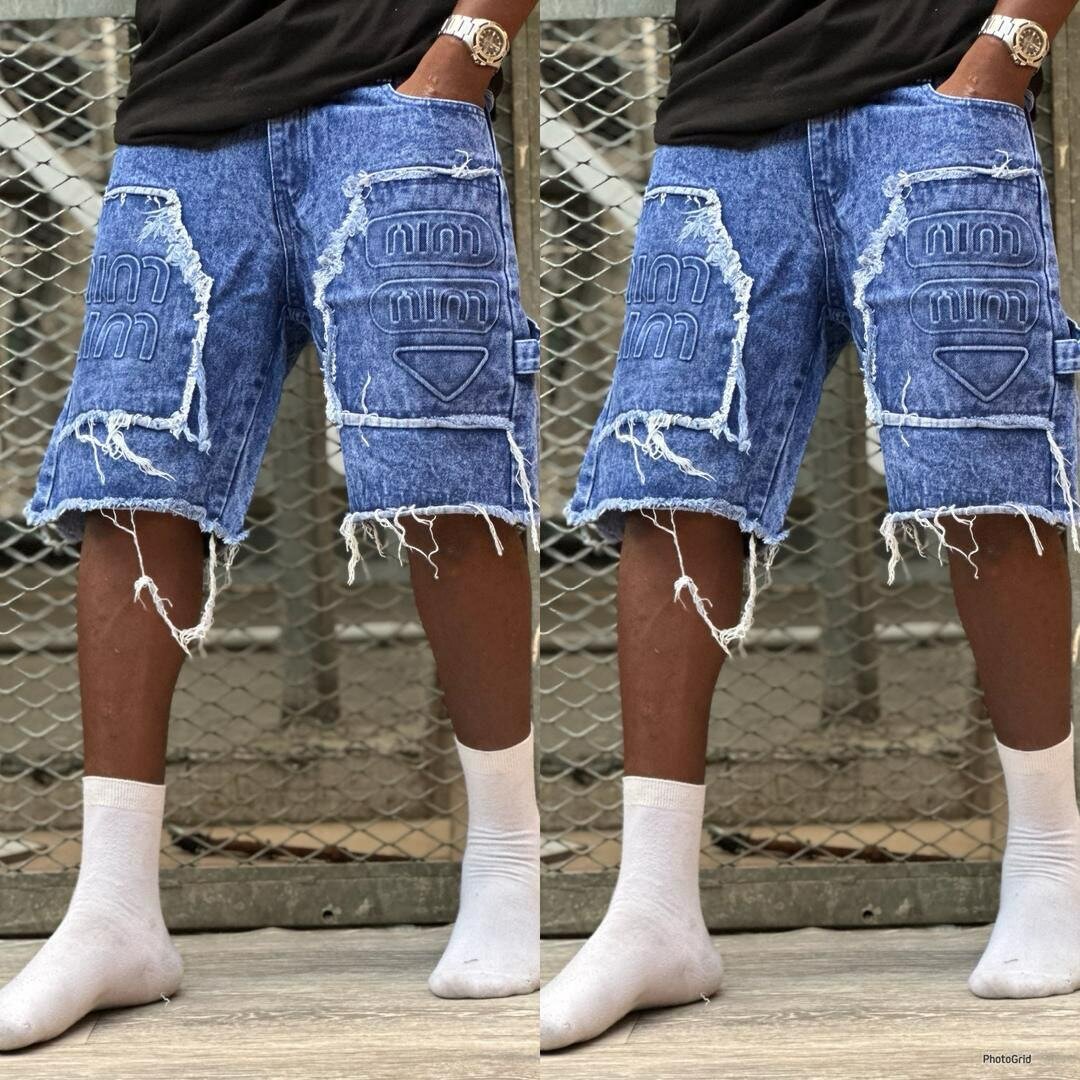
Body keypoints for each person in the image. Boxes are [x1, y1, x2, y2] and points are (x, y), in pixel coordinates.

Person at [2, 0, 541, 1052]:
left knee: (447, 473)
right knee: (131, 479)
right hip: (187, 104)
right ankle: (113, 911)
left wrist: (466, 50)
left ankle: (508, 861)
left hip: (394, 94)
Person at [541, 0, 1080, 1051]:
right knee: (670, 478)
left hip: (934, 88)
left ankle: (1052, 863)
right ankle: (653, 908)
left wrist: (1007, 49)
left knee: (983, 468)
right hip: (725, 104)